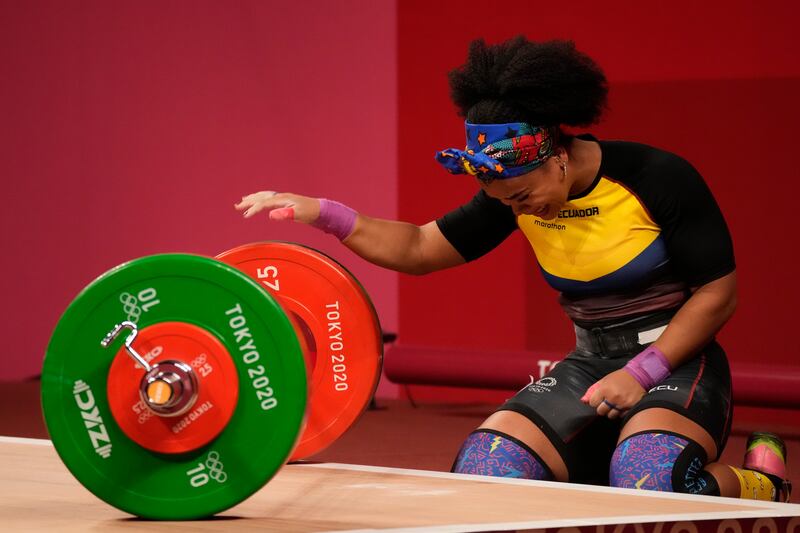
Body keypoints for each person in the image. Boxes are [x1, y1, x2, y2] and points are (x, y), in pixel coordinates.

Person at [235, 36, 790, 502]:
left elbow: (719, 294)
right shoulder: (516, 194)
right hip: (590, 365)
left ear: (558, 156)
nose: (519, 211)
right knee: (485, 473)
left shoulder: (657, 177)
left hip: (677, 364)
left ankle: (760, 478)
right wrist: (324, 213)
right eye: (504, 202)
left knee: (649, 480)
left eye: (523, 195)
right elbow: (420, 248)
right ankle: (604, 464)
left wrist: (641, 373)